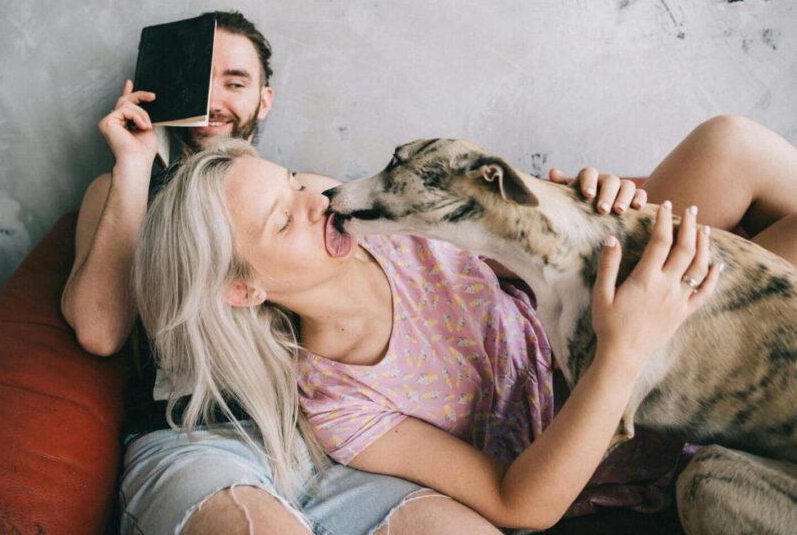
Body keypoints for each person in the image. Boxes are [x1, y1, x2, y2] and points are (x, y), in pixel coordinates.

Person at [133, 114, 797, 532]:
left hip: (617, 327)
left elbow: (533, 238)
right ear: (242, 289)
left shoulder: (390, 229)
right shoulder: (338, 402)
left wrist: (599, 207)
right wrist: (624, 350)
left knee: (728, 142)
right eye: (283, 219)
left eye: (292, 182)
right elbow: (518, 505)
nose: (316, 199)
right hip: (616, 409)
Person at [64, 10, 529, 535]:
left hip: (313, 439)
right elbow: (100, 332)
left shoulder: (308, 194)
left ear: (264, 100)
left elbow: (448, 240)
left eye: (235, 82)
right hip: (192, 439)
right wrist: (133, 164)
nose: (213, 100)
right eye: (198, 79)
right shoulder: (122, 190)